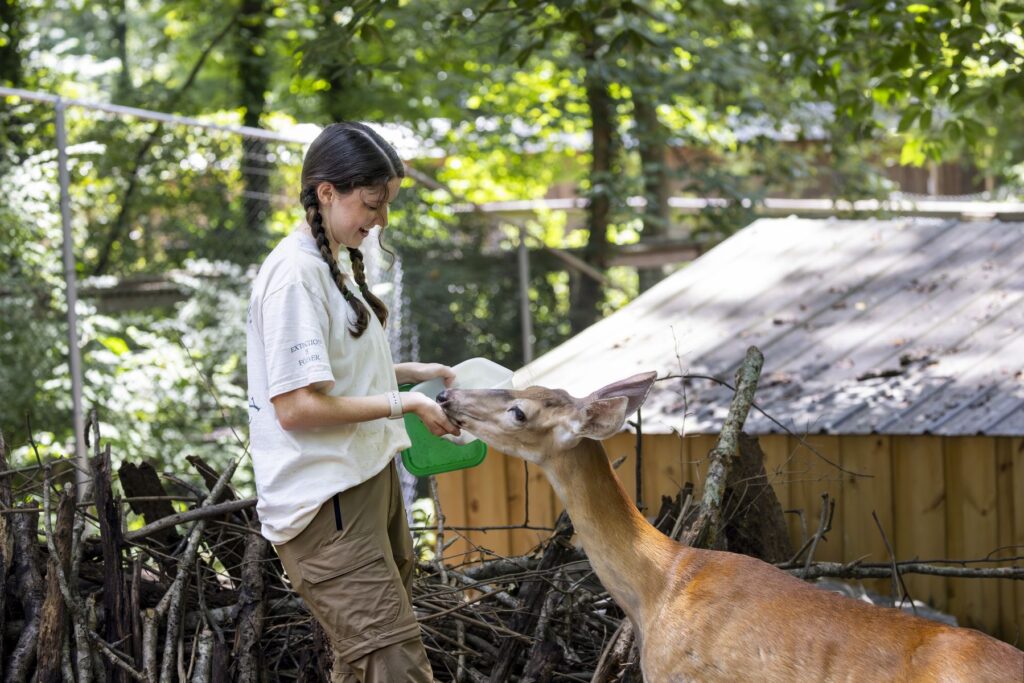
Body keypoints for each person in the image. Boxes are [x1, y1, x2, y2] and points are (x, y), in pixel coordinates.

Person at [246, 122, 459, 682]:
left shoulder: (331, 260)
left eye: (385, 204)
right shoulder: (295, 275)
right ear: (326, 192)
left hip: (365, 482)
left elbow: (338, 373)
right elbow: (296, 406)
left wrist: (420, 373)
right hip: (327, 503)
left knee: (366, 664)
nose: (381, 219)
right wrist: (404, 404)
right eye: (372, 203)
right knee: (395, 668)